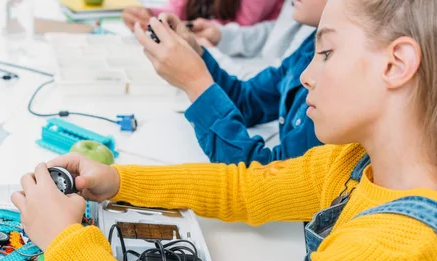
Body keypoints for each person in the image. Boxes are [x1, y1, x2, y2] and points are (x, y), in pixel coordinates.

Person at [12, 0, 437, 261]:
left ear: (395, 64)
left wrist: (66, 242)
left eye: (325, 52)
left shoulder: (397, 255)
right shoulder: (356, 162)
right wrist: (117, 181)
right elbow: (247, 187)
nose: (306, 74)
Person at [130, 0, 326, 165]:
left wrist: (195, 83)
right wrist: (195, 50)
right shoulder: (312, 44)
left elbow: (266, 181)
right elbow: (247, 101)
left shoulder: (337, 80)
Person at [191, 0, 315, 79]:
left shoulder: (314, 41)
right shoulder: (306, 12)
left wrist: (209, 53)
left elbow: (270, 82)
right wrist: (222, 37)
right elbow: (276, 31)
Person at [122, 0, 283, 32]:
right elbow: (179, 8)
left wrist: (184, 27)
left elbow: (241, 25)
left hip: (251, 62)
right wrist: (150, 15)